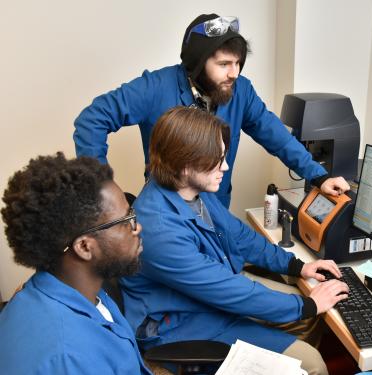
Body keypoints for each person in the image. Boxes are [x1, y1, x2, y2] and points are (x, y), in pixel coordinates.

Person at [121, 107, 350, 375]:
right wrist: (308, 305)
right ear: (184, 164)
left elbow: (238, 235)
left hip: (205, 296)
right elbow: (228, 290)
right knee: (311, 364)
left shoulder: (190, 188)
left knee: (309, 314)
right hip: (180, 324)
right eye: (216, 161)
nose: (225, 167)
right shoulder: (159, 229)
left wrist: (296, 266)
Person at [74, 13, 350, 208]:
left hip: (216, 206)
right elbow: (92, 119)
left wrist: (318, 176)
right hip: (166, 209)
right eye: (224, 64)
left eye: (238, 63)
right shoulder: (154, 87)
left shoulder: (241, 89)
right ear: (197, 62)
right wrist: (102, 187)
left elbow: (276, 135)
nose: (234, 73)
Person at [0, 153, 151, 375]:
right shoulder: (70, 356)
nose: (137, 228)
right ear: (84, 247)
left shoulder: (82, 293)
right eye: (125, 221)